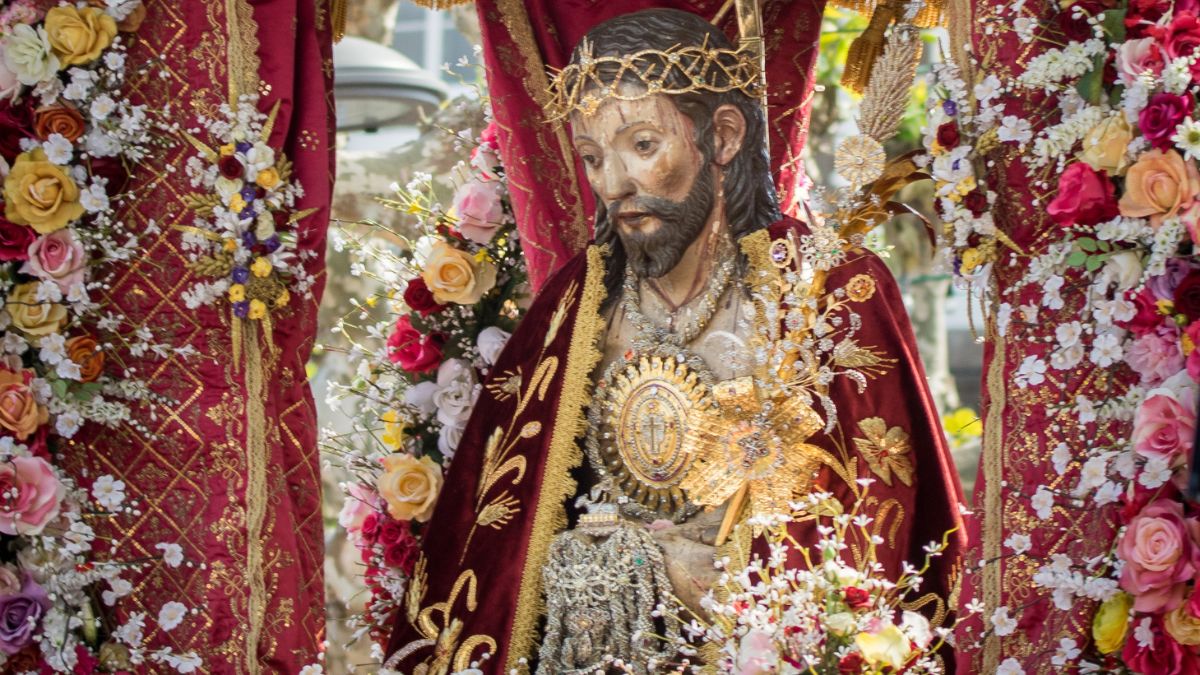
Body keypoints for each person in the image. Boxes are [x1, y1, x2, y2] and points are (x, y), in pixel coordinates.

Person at [386, 9, 964, 673]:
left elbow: (874, 510)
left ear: (723, 136)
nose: (613, 185)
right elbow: (501, 535)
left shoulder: (824, 289)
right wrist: (616, 560)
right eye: (594, 158)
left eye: (641, 145)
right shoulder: (576, 301)